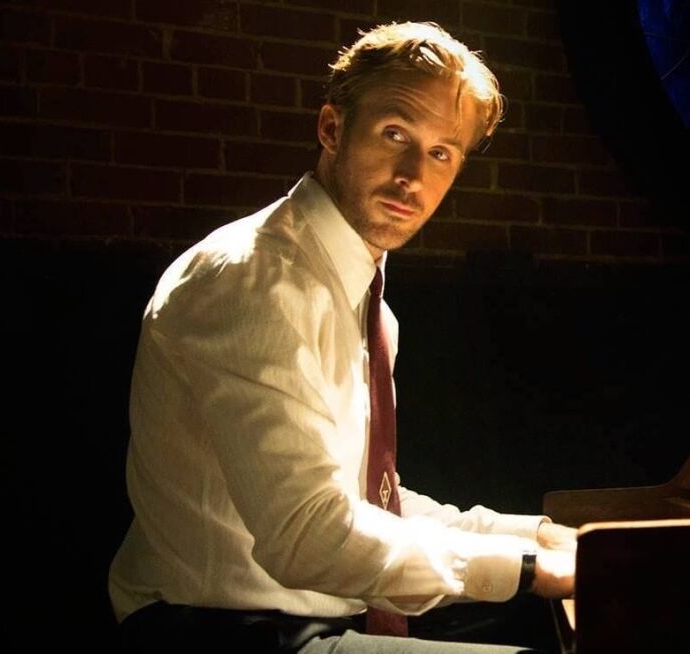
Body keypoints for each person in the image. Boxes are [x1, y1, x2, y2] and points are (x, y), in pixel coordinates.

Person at [109, 22, 577, 653]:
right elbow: (307, 532)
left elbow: (368, 503)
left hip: (299, 616)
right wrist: (530, 571)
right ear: (331, 129)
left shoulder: (363, 298)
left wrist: (541, 538)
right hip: (210, 630)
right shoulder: (256, 279)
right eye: (395, 134)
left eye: (442, 153)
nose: (413, 175)